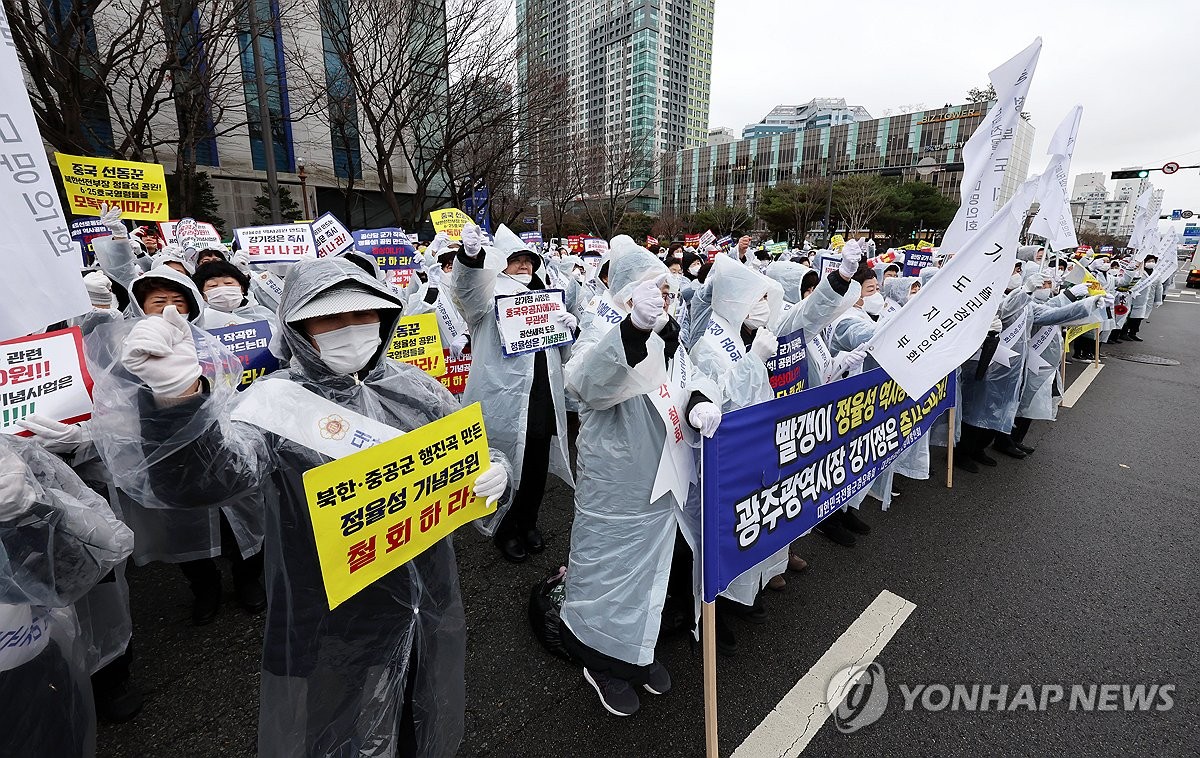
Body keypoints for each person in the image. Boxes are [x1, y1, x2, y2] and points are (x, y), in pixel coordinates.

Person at [90, 256, 510, 756]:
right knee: (342, 718)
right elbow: (205, 478)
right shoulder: (277, 402)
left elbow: (466, 441)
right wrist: (176, 398)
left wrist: (496, 468)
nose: (351, 330)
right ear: (297, 326)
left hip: (428, 580)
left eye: (363, 315)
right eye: (330, 318)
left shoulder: (410, 383)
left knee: (419, 701)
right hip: (335, 601)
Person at [561, 247, 721, 716]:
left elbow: (692, 379)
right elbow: (587, 383)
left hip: (667, 472)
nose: (665, 298)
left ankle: (638, 652)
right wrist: (631, 330)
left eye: (668, 290)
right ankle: (602, 661)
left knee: (656, 570)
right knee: (609, 571)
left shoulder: (671, 334)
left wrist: (700, 403)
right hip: (619, 479)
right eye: (655, 290)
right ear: (628, 292)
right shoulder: (599, 324)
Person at [86, 266, 268, 624]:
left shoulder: (217, 341)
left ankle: (248, 580)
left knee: (241, 524)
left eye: (178, 301)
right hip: (165, 460)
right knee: (183, 530)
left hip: (223, 451)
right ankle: (205, 590)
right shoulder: (129, 354)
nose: (170, 309)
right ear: (141, 308)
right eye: (158, 302)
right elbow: (112, 410)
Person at [0, 435, 134, 756]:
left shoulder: (11, 466)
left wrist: (29, 514)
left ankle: (113, 679)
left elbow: (95, 554)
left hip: (27, 665)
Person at [451, 223, 575, 563]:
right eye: (516, 259)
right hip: (504, 400)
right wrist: (470, 258)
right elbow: (466, 292)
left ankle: (529, 522)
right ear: (500, 262)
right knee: (507, 464)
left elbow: (559, 353)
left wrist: (569, 329)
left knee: (535, 465)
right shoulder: (488, 295)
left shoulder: (545, 295)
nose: (524, 265)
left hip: (542, 396)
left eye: (529, 260)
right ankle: (505, 528)